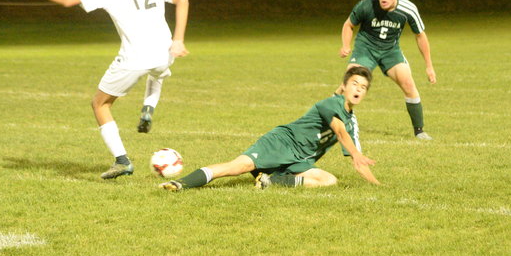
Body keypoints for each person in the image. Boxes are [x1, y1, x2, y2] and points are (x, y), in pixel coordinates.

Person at [13, 0, 189, 179]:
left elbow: (68, 1)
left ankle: (122, 161)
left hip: (134, 57)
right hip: (166, 51)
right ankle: (149, 107)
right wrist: (178, 40)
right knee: (158, 73)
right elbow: (183, 0)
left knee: (100, 104)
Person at [160, 67, 380, 191]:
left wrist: (377, 185)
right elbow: (339, 131)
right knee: (238, 166)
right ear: (344, 86)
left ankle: (269, 180)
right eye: (354, 83)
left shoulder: (352, 122)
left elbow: (358, 160)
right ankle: (180, 183)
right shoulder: (330, 103)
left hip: (299, 161)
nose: (358, 89)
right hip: (281, 143)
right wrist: (356, 153)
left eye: (363, 87)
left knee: (328, 180)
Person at [338, 0, 436, 140]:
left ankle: (419, 131)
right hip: (366, 49)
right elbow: (348, 25)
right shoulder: (366, 5)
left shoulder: (408, 9)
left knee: (408, 83)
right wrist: (346, 45)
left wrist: (429, 66)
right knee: (351, 82)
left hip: (390, 51)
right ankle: (330, 120)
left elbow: (420, 35)